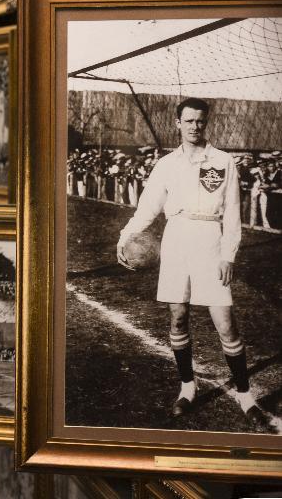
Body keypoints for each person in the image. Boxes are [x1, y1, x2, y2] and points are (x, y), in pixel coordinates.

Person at [116, 98, 262, 426]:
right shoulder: (166, 165)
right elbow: (147, 208)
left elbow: (235, 214)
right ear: (177, 124)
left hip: (210, 238)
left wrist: (228, 255)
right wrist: (124, 236)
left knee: (225, 322)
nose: (195, 126)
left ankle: (244, 393)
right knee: (178, 317)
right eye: (189, 121)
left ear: (206, 123)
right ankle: (187, 387)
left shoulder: (224, 161)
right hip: (176, 238)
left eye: (200, 121)